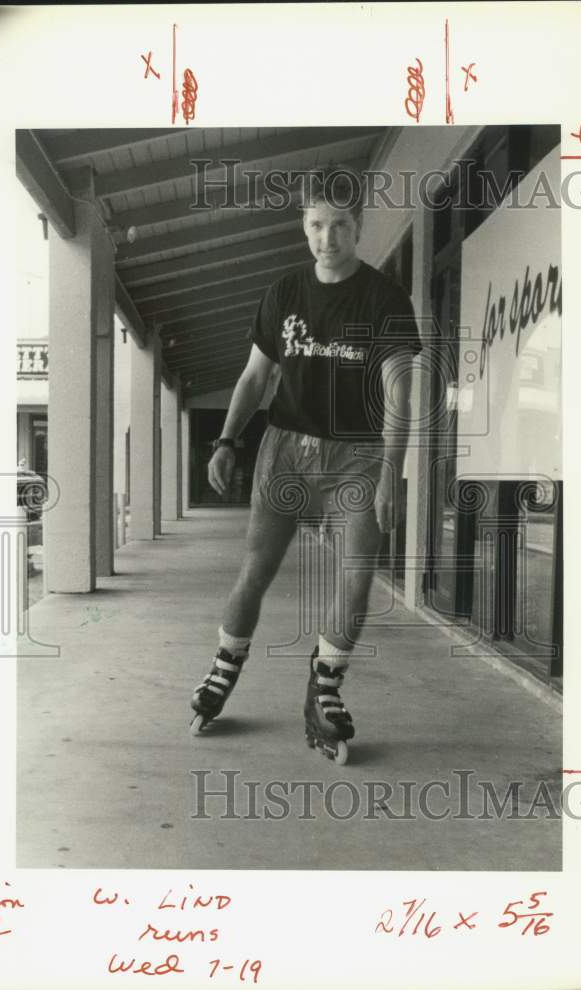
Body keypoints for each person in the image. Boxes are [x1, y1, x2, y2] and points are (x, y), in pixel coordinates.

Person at [190, 165, 422, 763]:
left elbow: (400, 390)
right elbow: (255, 375)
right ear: (304, 224)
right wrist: (225, 440)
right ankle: (224, 666)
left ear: (359, 226)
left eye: (339, 225)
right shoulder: (284, 293)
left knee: (357, 573)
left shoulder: (384, 297)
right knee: (257, 566)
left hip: (360, 454)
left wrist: (392, 470)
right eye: (316, 225)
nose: (327, 238)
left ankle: (324, 686)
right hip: (287, 449)